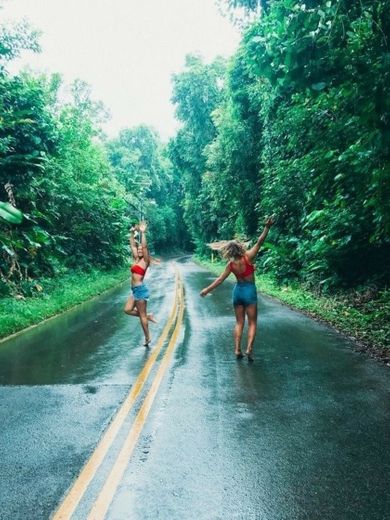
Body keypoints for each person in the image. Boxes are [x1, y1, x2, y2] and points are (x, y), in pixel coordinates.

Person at [200, 216, 276, 361]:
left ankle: (237, 350)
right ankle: (249, 349)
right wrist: (267, 227)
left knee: (239, 322)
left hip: (238, 292)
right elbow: (260, 242)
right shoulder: (248, 257)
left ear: (230, 251)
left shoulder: (231, 264)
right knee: (252, 322)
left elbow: (220, 279)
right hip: (249, 291)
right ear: (240, 247)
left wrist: (207, 290)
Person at [124, 221, 156, 347]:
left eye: (141, 249)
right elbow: (132, 245)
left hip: (140, 290)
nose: (140, 250)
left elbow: (145, 246)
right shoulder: (136, 260)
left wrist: (142, 232)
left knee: (141, 316)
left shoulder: (145, 261)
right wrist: (132, 233)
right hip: (135, 291)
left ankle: (147, 337)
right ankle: (148, 315)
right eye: (139, 249)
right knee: (127, 310)